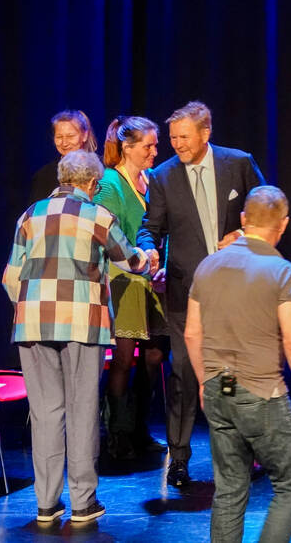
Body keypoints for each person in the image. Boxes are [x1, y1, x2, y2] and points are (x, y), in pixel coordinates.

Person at [2, 150, 151, 523]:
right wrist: (148, 258)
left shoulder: (29, 215)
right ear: (92, 184)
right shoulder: (97, 215)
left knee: (45, 413)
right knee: (82, 411)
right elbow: (128, 260)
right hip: (83, 323)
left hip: (33, 324)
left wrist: (32, 307)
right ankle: (83, 502)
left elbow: (10, 277)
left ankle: (46, 505)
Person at [184, 185, 291, 541]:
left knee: (229, 488)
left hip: (216, 388)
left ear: (244, 220)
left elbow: (191, 334)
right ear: (284, 224)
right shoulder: (282, 271)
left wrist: (204, 381)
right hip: (260, 391)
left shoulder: (208, 265)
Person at [137, 101, 265, 487]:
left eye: (183, 137)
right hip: (186, 292)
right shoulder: (162, 176)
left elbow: (265, 208)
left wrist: (244, 234)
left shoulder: (238, 163)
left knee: (238, 374)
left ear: (206, 133)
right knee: (182, 376)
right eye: (172, 137)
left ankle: (245, 452)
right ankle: (179, 458)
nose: (176, 144)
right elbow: (150, 226)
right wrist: (149, 248)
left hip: (236, 290)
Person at [95, 116, 168, 460]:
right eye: (149, 145)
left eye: (155, 144)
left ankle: (140, 427)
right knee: (123, 359)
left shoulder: (150, 181)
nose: (156, 151)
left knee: (153, 356)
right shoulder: (111, 183)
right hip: (122, 280)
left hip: (152, 282)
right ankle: (117, 433)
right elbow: (107, 234)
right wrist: (140, 256)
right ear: (127, 147)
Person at [29, 110, 99, 203]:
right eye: (59, 137)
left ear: (85, 135)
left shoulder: (99, 171)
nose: (64, 143)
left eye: (70, 136)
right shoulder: (44, 176)